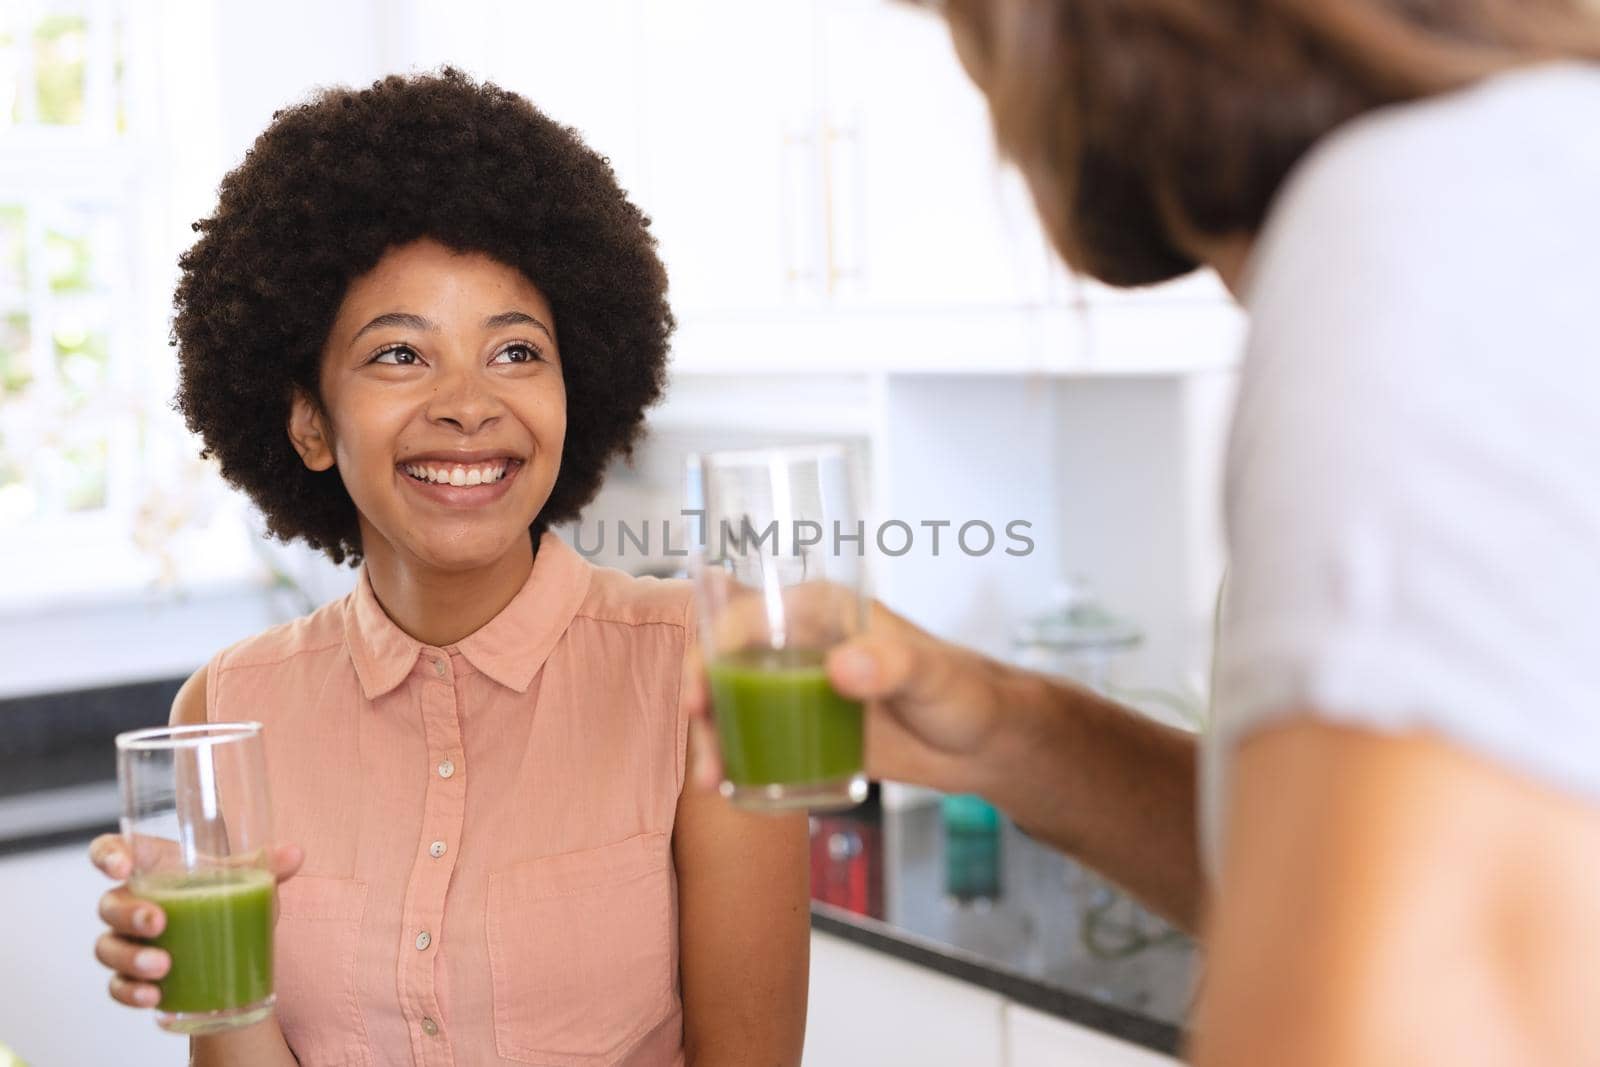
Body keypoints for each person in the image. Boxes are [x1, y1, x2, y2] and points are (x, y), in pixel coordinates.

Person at [682, 1, 1600, 1062]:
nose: (988, 106)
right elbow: (1319, 882)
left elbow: (1402, 1007)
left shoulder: (1413, 235)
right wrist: (1010, 728)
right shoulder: (1509, 183)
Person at [88, 70, 809, 1067]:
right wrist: (214, 993)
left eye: (516, 352)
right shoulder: (231, 704)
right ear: (308, 420)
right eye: (399, 355)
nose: (470, 404)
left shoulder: (708, 676)